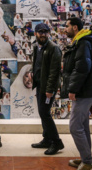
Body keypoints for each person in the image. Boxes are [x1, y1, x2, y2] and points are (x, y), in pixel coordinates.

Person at [63, 17, 92, 170]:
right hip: (85, 90)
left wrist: (73, 89)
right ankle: (86, 158)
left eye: (67, 26)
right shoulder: (81, 41)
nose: (65, 29)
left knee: (74, 126)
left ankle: (88, 162)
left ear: (74, 28)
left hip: (84, 91)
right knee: (83, 125)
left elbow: (82, 68)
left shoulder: (83, 42)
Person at [30, 23, 64, 155]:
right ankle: (47, 139)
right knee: (42, 113)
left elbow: (54, 72)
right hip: (40, 85)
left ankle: (57, 142)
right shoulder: (36, 47)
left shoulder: (53, 48)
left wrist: (49, 90)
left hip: (48, 88)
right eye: (40, 32)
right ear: (35, 34)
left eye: (45, 32)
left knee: (45, 113)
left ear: (49, 33)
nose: (43, 34)